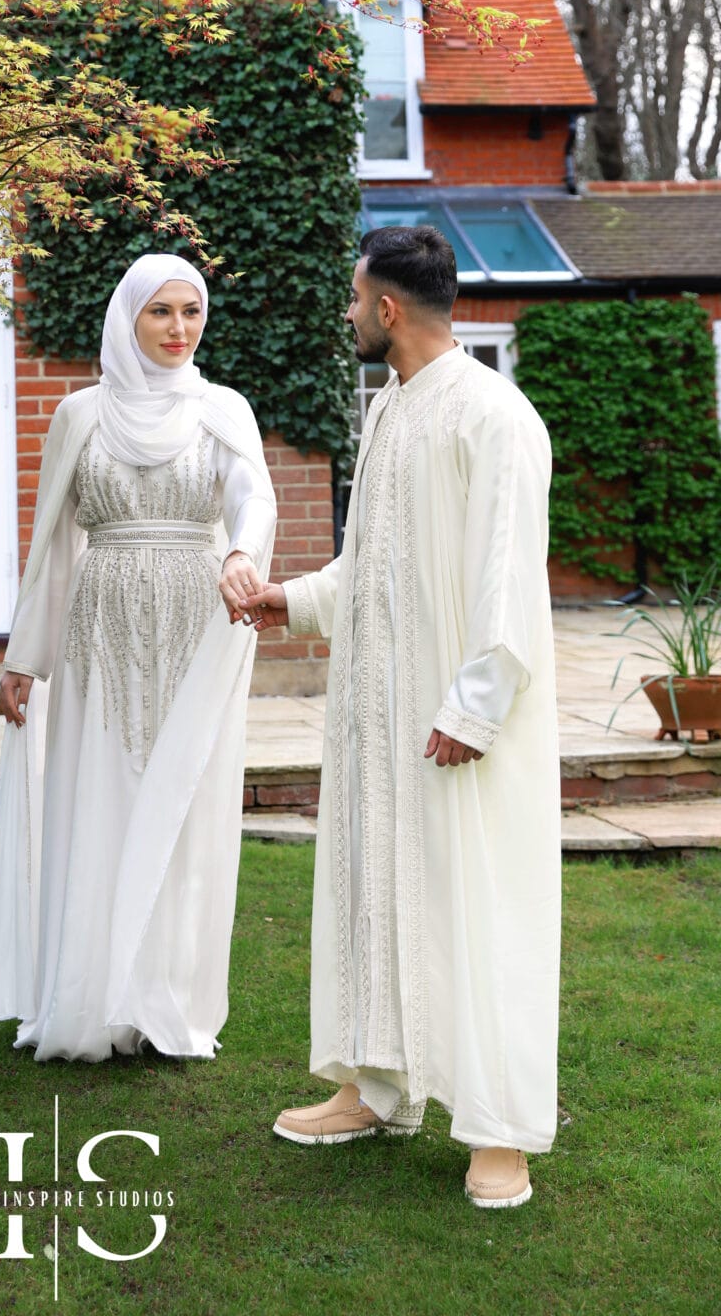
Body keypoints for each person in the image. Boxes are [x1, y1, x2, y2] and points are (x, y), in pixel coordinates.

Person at [240, 225, 559, 1209]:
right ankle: (373, 1086)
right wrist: (285, 599)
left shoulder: (492, 417)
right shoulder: (385, 414)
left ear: (384, 307)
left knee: (477, 904)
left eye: (351, 298)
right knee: (374, 890)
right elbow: (369, 566)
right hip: (373, 717)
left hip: (459, 721)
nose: (345, 315)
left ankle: (498, 1131)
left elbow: (507, 578)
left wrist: (473, 706)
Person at [0, 253, 277, 1061]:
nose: (179, 329)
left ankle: (166, 1000)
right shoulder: (78, 414)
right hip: (99, 631)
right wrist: (23, 656)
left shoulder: (223, 409)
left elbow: (254, 495)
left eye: (192, 312)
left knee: (183, 802)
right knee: (98, 793)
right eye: (161, 313)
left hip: (192, 622)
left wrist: (242, 552)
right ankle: (90, 1000)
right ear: (127, 317)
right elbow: (52, 551)